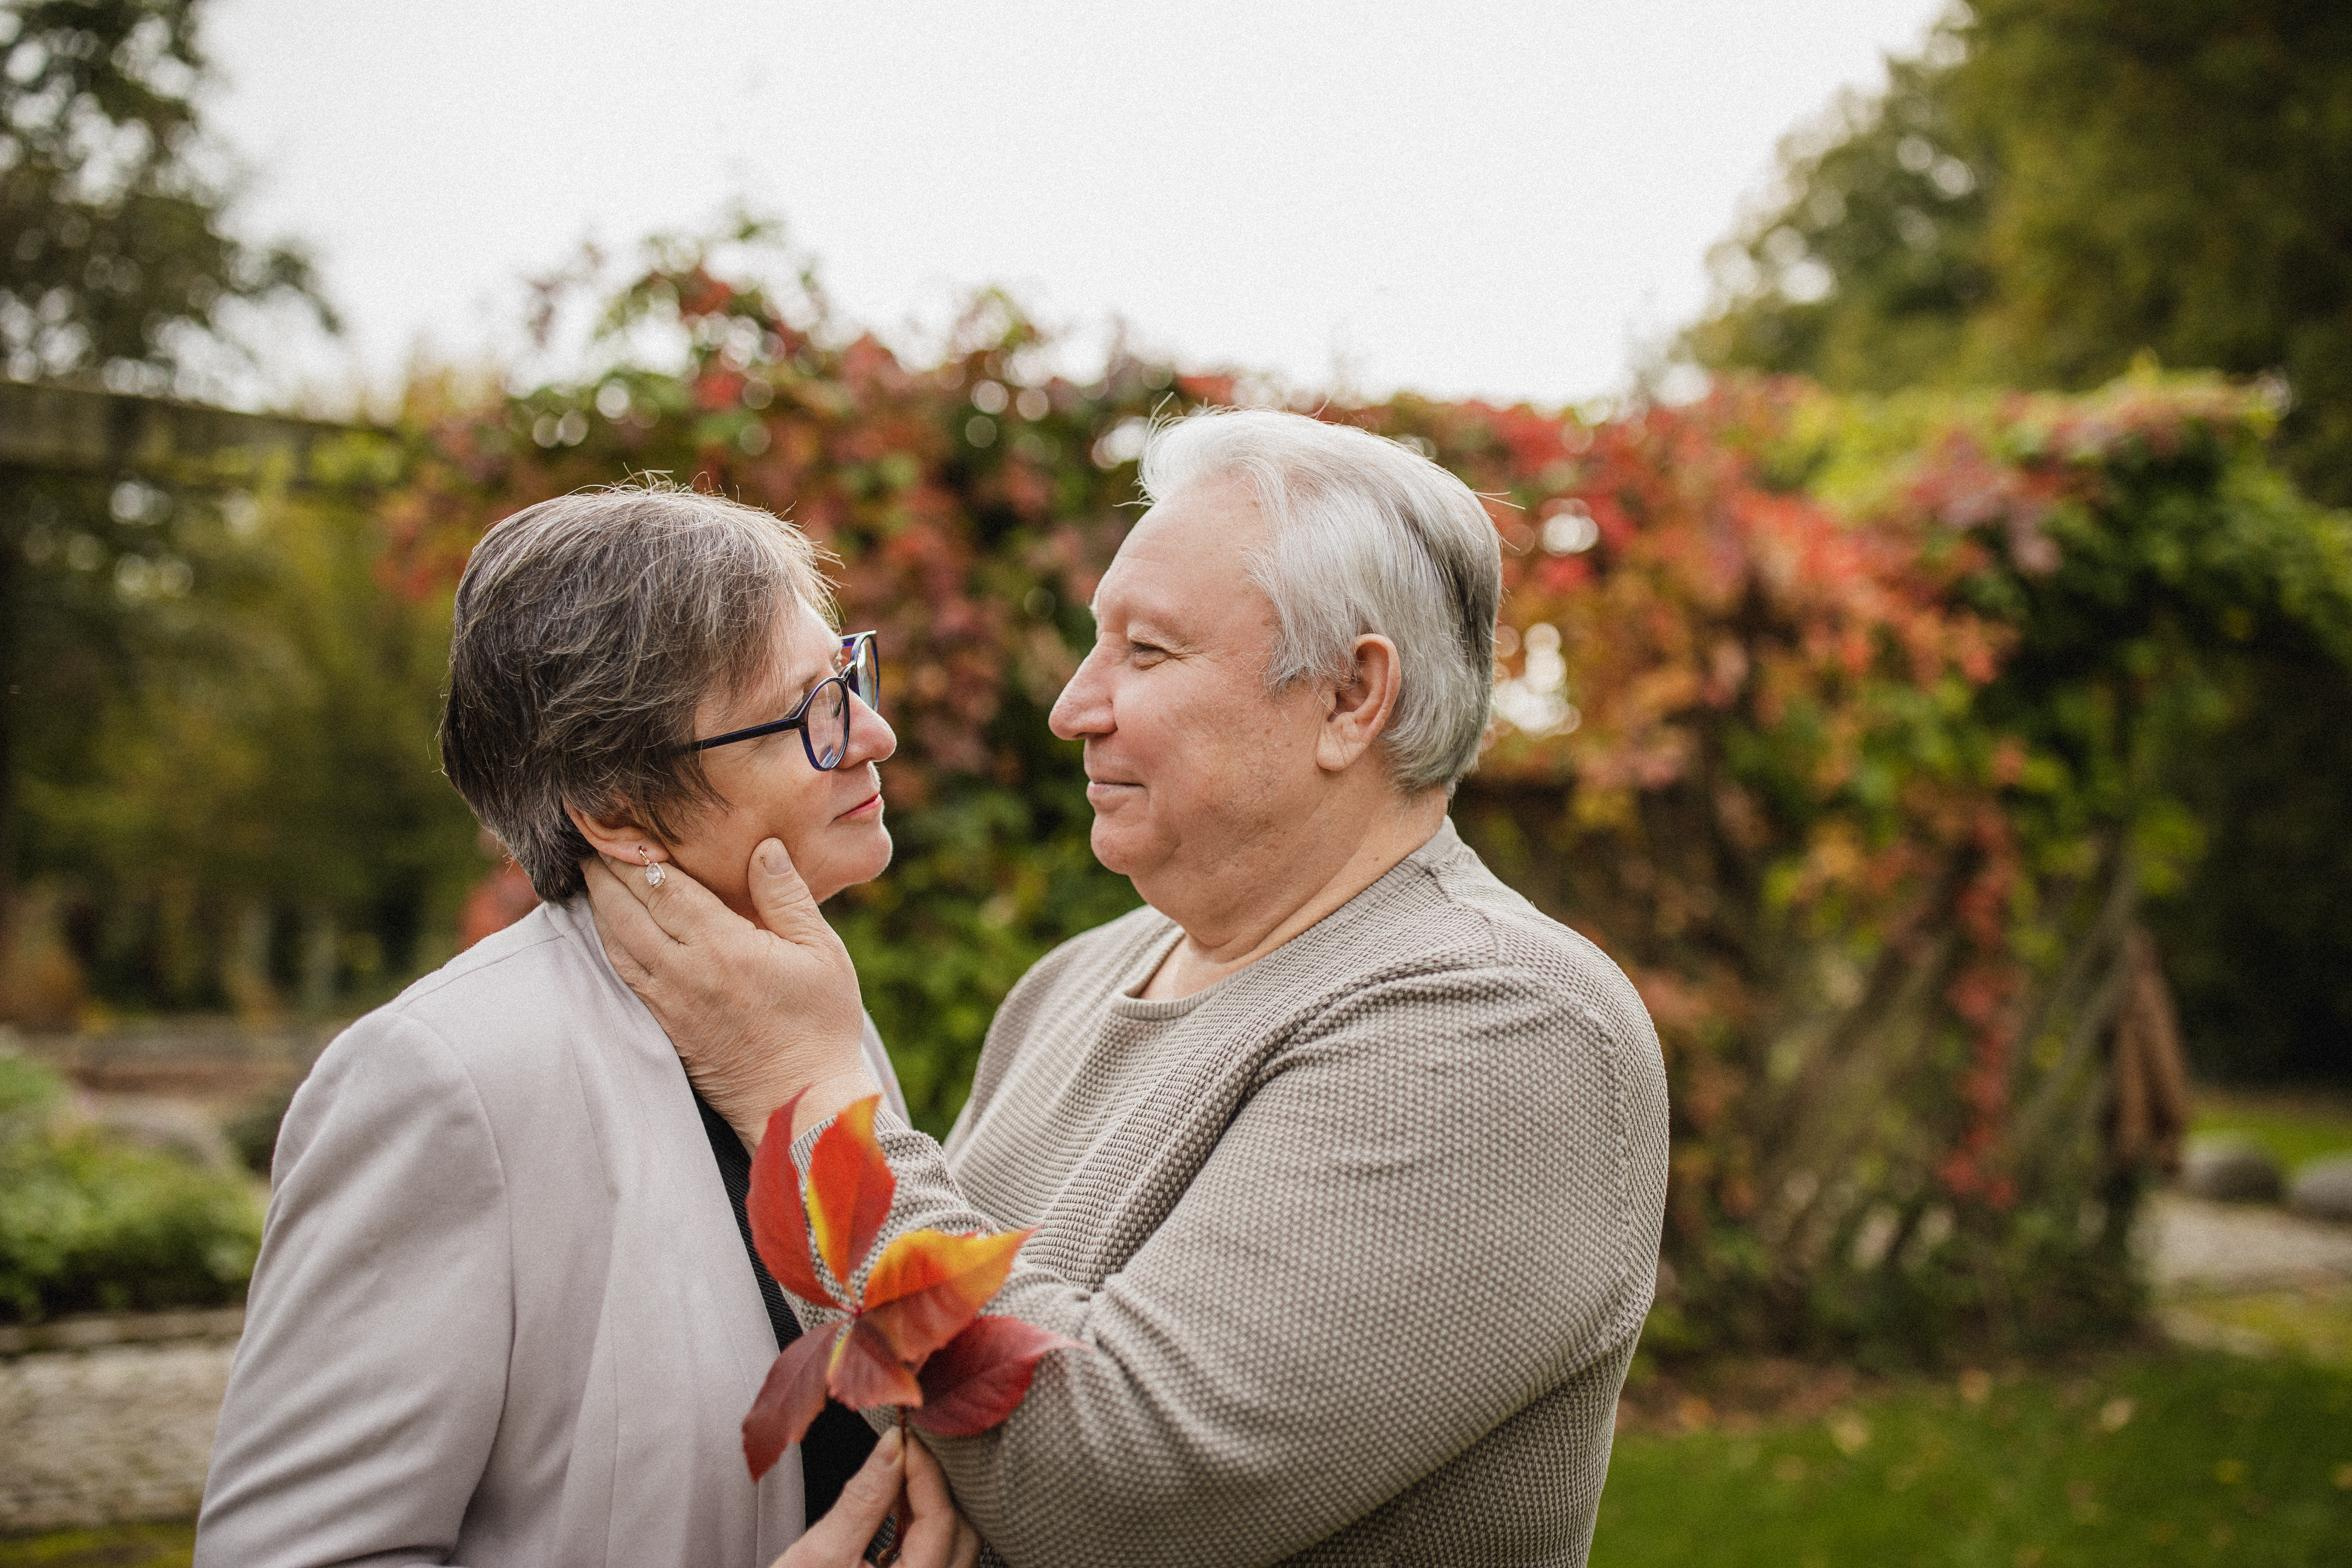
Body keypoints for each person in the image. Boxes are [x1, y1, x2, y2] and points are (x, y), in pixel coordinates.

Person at [590, 410, 1674, 1566]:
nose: (1073, 706)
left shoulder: (1507, 1032)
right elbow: (901, 1382)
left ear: (1352, 699)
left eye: (1146, 652)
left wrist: (804, 1094)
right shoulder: (1081, 976)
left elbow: (1105, 1492)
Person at [196, 485, 978, 1568]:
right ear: (616, 805)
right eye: (811, 711)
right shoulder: (449, 1077)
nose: (876, 731)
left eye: (848, 674)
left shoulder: (808, 1012)